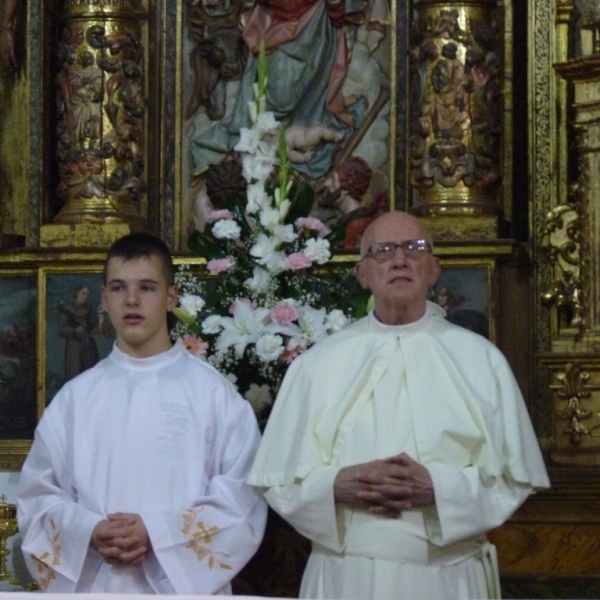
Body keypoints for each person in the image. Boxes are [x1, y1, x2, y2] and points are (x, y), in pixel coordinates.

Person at [248, 210, 550, 600]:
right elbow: (277, 480)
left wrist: (440, 488)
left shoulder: (479, 359)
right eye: (383, 251)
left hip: (447, 575)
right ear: (363, 274)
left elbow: (514, 478)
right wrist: (335, 486)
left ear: (434, 269)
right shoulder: (317, 364)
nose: (400, 260)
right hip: (346, 576)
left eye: (415, 248)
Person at [17, 232, 267, 594]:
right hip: (96, 585)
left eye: (147, 288)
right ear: (104, 299)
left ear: (170, 297)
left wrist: (157, 533)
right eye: (118, 288)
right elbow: (37, 497)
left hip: (180, 589)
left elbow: (242, 498)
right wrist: (89, 530)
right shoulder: (75, 399)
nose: (131, 300)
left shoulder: (214, 395)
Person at [57, 285, 101, 382]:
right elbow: (61, 329)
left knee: (90, 376)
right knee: (75, 375)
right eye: (83, 294)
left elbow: (95, 326)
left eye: (87, 295)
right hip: (74, 349)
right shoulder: (67, 310)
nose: (85, 297)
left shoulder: (89, 310)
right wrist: (75, 330)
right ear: (77, 293)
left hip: (89, 347)